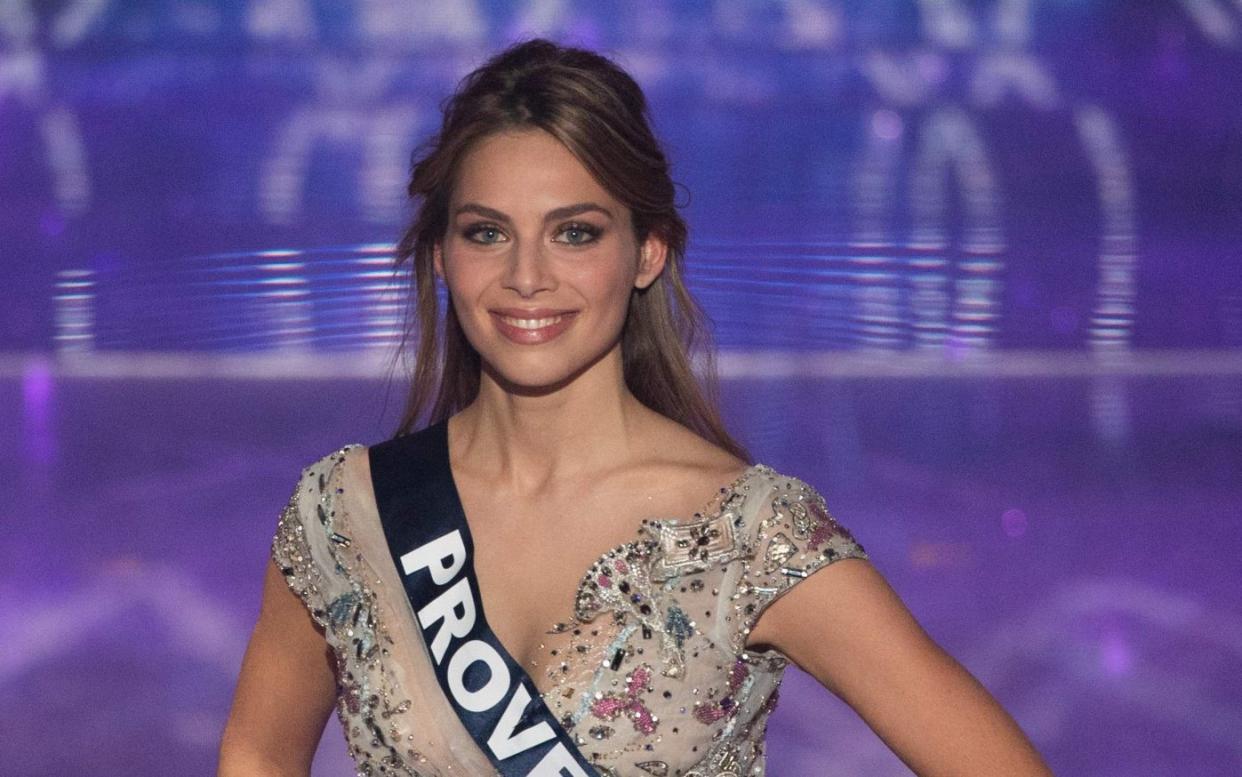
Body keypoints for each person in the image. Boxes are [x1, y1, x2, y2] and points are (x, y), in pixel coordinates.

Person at [218, 38, 1054, 777]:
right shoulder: (346, 516)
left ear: (647, 250)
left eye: (575, 231)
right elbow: (258, 753)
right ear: (441, 255)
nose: (527, 276)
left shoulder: (747, 534)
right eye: (486, 232)